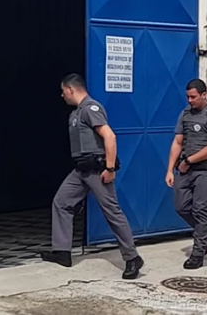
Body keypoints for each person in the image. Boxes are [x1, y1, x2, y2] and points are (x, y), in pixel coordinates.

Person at [41, 73, 144, 279]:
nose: (63, 96)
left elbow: (110, 136)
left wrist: (110, 168)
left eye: (63, 92)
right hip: (81, 170)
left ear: (71, 89)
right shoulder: (77, 112)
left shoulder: (90, 109)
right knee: (61, 202)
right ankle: (62, 251)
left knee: (112, 212)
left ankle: (132, 258)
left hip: (98, 170)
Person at [166, 79, 207, 269]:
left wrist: (189, 161)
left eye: (193, 97)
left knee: (200, 208)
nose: (190, 100)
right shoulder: (185, 115)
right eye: (188, 97)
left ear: (204, 94)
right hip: (185, 170)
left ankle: (198, 253)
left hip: (205, 171)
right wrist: (169, 169)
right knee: (181, 207)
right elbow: (177, 142)